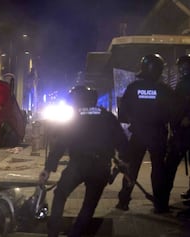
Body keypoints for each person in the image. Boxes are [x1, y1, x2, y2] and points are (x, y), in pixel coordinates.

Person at [39, 85, 128, 237]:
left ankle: (53, 232)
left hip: (78, 165)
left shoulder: (74, 118)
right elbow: (123, 143)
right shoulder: (107, 116)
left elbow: (60, 145)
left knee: (60, 194)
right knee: (88, 206)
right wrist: (125, 162)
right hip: (101, 167)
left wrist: (48, 168)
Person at [116, 54, 178, 213]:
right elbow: (173, 112)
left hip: (138, 133)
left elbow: (123, 112)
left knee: (132, 168)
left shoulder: (133, 87)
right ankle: (160, 204)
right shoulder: (164, 89)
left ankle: (123, 200)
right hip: (158, 134)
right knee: (158, 169)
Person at [165, 55, 190, 206]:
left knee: (171, 163)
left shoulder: (185, 82)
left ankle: (163, 197)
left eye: (185, 65)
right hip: (180, 129)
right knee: (171, 163)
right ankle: (163, 196)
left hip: (186, 129)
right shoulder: (182, 82)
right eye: (181, 66)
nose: (182, 68)